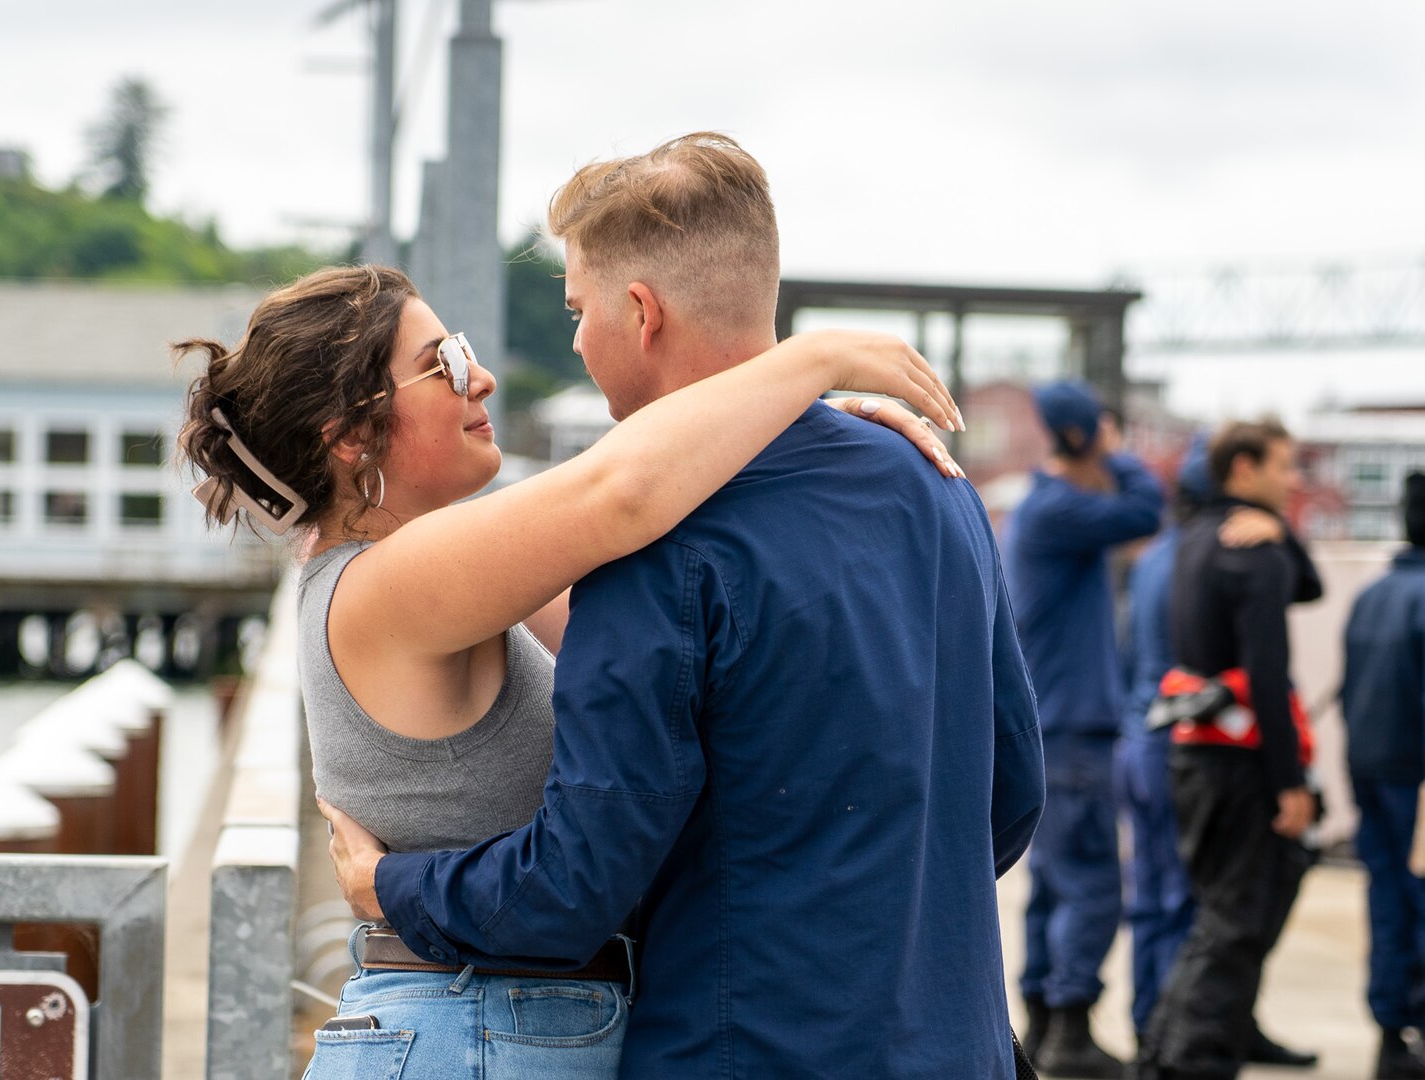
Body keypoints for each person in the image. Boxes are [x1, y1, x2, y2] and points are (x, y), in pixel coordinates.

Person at [178, 136, 971, 1080]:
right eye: (441, 364)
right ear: (351, 435)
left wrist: (811, 434)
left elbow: (654, 572)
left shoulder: (451, 575)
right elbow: (621, 499)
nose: (481, 378)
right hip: (467, 1026)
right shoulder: (392, 579)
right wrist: (816, 361)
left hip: (492, 1021)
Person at [1115, 433, 1316, 1068]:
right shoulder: (1254, 553)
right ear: (1244, 467)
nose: (1292, 480)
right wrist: (1290, 782)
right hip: (1241, 765)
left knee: (1204, 920)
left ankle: (1160, 1051)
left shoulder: (1188, 545)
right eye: (1284, 466)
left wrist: (1280, 533)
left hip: (1184, 755)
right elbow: (1267, 678)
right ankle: (1190, 1059)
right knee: (1233, 927)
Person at [1002, 380, 1163, 1076]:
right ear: (1085, 436)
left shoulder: (1044, 510)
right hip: (1075, 730)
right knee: (1095, 881)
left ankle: (1044, 1022)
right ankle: (1069, 1029)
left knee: (1053, 883)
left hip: (1054, 725)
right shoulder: (1059, 509)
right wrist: (1115, 453)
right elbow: (1146, 508)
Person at [1343, 471, 1425, 1079]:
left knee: (1386, 898)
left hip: (1369, 767)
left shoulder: (1373, 594)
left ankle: (1390, 1033)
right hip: (1416, 776)